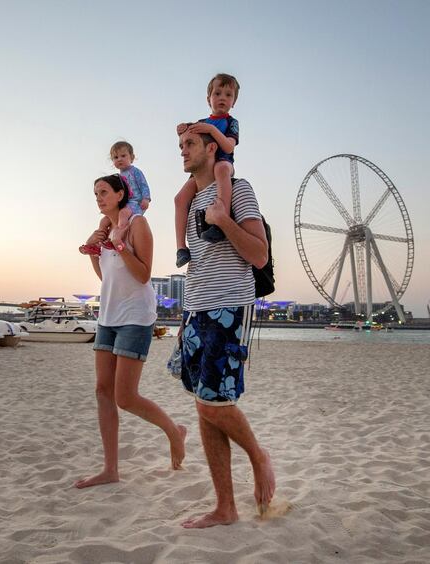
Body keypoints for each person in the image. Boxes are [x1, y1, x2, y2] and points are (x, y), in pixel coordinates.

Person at [175, 128, 275, 528]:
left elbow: (260, 254)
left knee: (211, 403)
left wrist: (223, 221)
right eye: (181, 146)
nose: (182, 151)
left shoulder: (238, 189)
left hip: (229, 307)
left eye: (190, 145)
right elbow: (197, 261)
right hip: (195, 308)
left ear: (211, 147)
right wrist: (185, 314)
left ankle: (259, 457)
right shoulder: (190, 200)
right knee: (205, 406)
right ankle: (225, 507)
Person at [75, 173, 186, 489]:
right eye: (95, 192)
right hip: (108, 315)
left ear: (121, 193)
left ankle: (174, 431)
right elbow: (106, 277)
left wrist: (119, 245)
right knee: (102, 391)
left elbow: (142, 274)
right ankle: (110, 469)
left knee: (125, 396)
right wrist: (97, 250)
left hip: (136, 317)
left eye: (104, 191)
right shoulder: (104, 227)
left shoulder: (137, 224)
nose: (99, 197)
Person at [174, 73, 241, 267]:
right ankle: (181, 248)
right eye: (217, 93)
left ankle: (221, 219)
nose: (222, 98)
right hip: (202, 170)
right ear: (208, 99)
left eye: (228, 95)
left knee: (220, 169)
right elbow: (189, 140)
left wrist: (211, 131)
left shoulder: (231, 123)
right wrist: (182, 128)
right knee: (180, 199)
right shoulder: (201, 122)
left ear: (233, 102)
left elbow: (228, 147)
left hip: (224, 163)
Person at [81, 142, 151, 254]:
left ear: (132, 158)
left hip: (136, 203)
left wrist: (146, 198)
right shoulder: (118, 177)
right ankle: (98, 244)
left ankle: (118, 238)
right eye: (115, 157)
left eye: (123, 156)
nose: (119, 159)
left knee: (122, 214)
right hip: (125, 204)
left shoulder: (135, 172)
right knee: (104, 220)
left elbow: (143, 185)